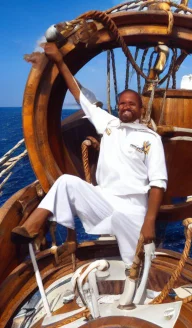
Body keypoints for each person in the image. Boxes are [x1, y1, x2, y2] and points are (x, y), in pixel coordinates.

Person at [12, 43, 168, 266]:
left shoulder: (150, 139)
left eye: (131, 104)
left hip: (133, 208)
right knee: (65, 182)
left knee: (137, 267)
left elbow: (158, 183)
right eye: (122, 103)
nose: (126, 107)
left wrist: (150, 221)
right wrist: (59, 61)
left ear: (141, 109)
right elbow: (79, 96)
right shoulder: (109, 124)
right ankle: (33, 225)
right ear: (117, 106)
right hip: (104, 199)